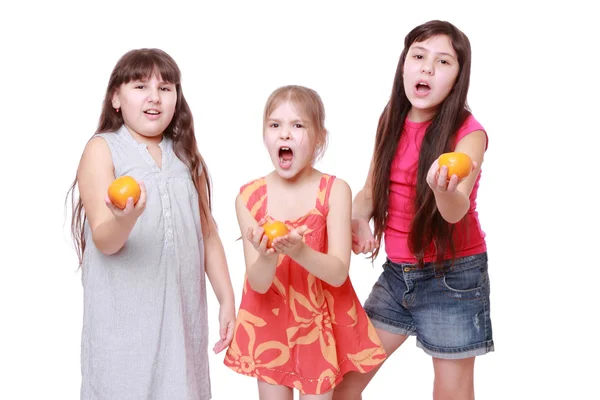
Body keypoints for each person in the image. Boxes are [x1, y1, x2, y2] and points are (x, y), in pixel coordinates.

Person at [332, 20, 494, 400]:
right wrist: (358, 217)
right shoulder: (391, 117)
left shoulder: (469, 133)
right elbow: (372, 190)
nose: (426, 68)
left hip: (454, 278)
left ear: (458, 78)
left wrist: (441, 189)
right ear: (404, 64)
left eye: (443, 62)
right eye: (418, 56)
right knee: (342, 386)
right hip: (396, 278)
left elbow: (455, 212)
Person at [67, 48, 235, 400]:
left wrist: (226, 299)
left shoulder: (187, 156)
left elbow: (208, 234)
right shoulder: (103, 149)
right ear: (116, 98)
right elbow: (105, 240)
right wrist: (125, 218)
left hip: (181, 332)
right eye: (140, 86)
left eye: (166, 87)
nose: (154, 97)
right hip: (122, 337)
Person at [223, 85, 386, 399]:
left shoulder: (334, 190)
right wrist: (268, 257)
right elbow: (257, 284)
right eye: (275, 125)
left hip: (319, 325)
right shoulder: (248, 199)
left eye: (297, 125)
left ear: (320, 138)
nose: (285, 134)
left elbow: (338, 272)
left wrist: (298, 250)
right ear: (264, 135)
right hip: (269, 323)